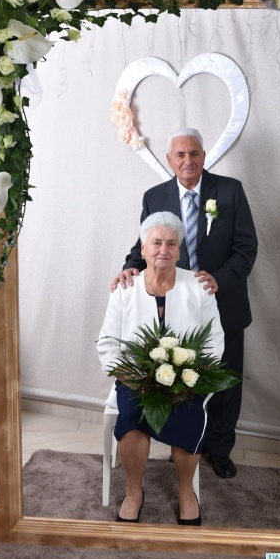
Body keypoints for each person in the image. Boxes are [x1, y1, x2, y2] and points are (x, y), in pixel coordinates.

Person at [111, 128, 257, 479]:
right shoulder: (155, 196)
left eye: (194, 153)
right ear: (170, 159)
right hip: (173, 311)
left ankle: (219, 449)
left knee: (225, 380)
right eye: (180, 155)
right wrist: (129, 268)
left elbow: (246, 248)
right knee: (182, 378)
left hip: (224, 303)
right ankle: (186, 442)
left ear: (203, 156)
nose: (187, 160)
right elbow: (144, 245)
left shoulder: (230, 191)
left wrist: (219, 280)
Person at [98, 211, 225, 524]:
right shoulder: (125, 288)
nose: (163, 250)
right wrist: (129, 376)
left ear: (179, 250)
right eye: (156, 243)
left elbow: (214, 342)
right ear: (142, 249)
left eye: (171, 243)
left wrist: (192, 377)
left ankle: (185, 492)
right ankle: (133, 493)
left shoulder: (199, 287)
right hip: (135, 379)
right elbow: (107, 344)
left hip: (186, 379)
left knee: (189, 414)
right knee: (131, 417)